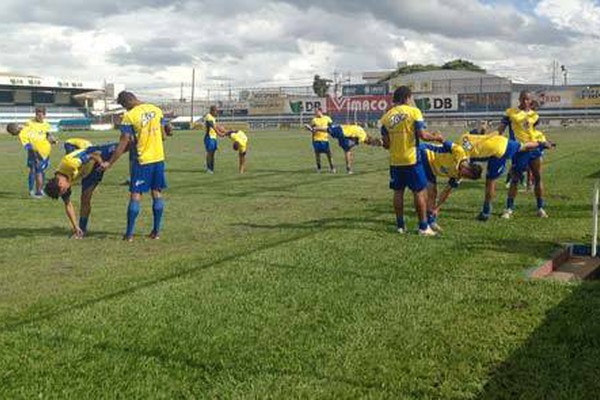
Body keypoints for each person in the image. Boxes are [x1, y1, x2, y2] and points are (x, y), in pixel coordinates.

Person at [100, 91, 168, 241]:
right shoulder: (156, 110)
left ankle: (129, 234)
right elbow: (163, 136)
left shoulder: (130, 116)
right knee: (157, 193)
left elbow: (123, 143)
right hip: (158, 158)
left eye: (124, 106)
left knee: (136, 195)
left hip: (142, 160)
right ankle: (156, 232)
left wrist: (109, 163)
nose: (125, 109)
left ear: (127, 102)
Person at [380, 86, 445, 236]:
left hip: (395, 161)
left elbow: (386, 144)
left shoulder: (386, 117)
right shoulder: (414, 112)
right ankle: (423, 227)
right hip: (412, 159)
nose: (411, 100)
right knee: (419, 192)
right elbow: (422, 135)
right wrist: (437, 137)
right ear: (406, 98)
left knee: (398, 192)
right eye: (410, 98)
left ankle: (400, 226)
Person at [459, 131, 553, 221]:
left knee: (490, 181)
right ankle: (541, 143)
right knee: (522, 146)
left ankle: (486, 212)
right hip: (502, 140)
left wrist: (459, 177)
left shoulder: (461, 153)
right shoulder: (463, 137)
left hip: (499, 151)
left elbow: (465, 166)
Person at [44, 143, 120, 238]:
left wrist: (103, 164)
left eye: (64, 190)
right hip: (88, 172)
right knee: (85, 199)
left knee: (125, 145)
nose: (66, 191)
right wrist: (75, 227)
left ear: (60, 184)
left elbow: (94, 155)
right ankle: (81, 230)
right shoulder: (61, 186)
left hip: (95, 154)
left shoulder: (70, 164)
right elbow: (68, 205)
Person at [497, 91, 551, 219]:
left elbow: (534, 131)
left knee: (537, 177)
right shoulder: (510, 113)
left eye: (527, 99)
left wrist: (543, 142)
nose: (525, 101)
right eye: (523, 99)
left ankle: (540, 208)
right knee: (515, 179)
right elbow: (500, 129)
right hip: (519, 150)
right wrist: (494, 139)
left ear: (531, 100)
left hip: (535, 150)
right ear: (519, 99)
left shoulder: (535, 115)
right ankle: (509, 209)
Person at [420, 141, 483, 231]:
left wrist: (437, 207)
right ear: (468, 168)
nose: (464, 176)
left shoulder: (458, 176)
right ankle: (427, 223)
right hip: (426, 154)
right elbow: (445, 143)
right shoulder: (459, 152)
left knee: (432, 193)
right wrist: (437, 137)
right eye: (467, 175)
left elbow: (447, 191)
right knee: (427, 191)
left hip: (431, 168)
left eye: (467, 177)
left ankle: (430, 221)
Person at [6, 107, 55, 198]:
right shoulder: (29, 123)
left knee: (42, 171)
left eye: (41, 114)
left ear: (44, 115)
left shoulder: (47, 125)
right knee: (34, 170)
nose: (39, 116)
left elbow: (47, 135)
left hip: (45, 152)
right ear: (35, 114)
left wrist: (52, 140)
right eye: (37, 114)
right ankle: (33, 190)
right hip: (34, 153)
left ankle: (40, 190)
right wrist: (35, 154)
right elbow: (25, 139)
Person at [309, 107, 336, 173]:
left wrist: (322, 129)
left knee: (329, 154)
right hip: (316, 139)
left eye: (316, 111)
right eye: (315, 112)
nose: (315, 113)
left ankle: (332, 168)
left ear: (321, 111)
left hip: (325, 139)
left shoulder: (327, 118)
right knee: (317, 155)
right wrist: (310, 129)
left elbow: (331, 128)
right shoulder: (314, 120)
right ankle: (319, 168)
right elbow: (313, 130)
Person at [203, 105, 225, 173]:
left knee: (212, 153)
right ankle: (209, 169)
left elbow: (215, 125)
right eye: (216, 111)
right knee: (210, 153)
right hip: (209, 137)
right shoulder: (208, 116)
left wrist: (222, 129)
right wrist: (219, 133)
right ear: (212, 111)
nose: (217, 113)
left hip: (213, 137)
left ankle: (211, 168)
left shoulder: (212, 118)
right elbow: (213, 127)